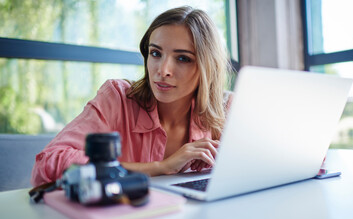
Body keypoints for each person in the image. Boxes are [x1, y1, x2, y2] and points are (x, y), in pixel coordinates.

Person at [31, 6, 232, 187]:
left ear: (208, 67)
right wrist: (160, 167)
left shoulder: (226, 111)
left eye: (182, 58)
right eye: (155, 53)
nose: (163, 70)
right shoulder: (117, 98)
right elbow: (48, 161)